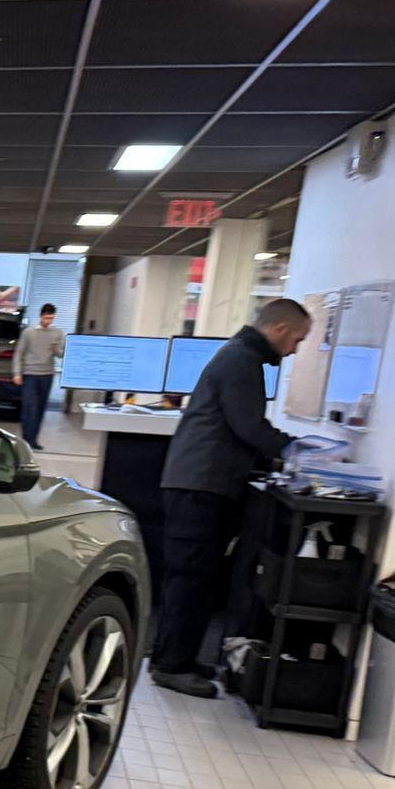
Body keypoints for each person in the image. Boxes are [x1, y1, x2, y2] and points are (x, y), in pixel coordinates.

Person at [149, 298, 310, 698]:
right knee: (191, 577)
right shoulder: (242, 362)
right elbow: (249, 426)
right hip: (201, 485)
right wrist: (298, 451)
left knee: (194, 577)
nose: (294, 351)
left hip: (202, 482)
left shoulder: (238, 356)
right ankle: (172, 666)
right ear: (278, 330)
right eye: (296, 340)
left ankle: (175, 657)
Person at [11, 303, 66, 449]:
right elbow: (19, 353)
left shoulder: (58, 333)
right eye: (47, 318)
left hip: (47, 374)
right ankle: (26, 439)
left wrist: (56, 350)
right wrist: (17, 373)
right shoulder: (29, 332)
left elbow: (62, 354)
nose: (49, 321)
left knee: (40, 409)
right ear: (41, 316)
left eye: (52, 318)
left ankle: (33, 440)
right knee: (29, 407)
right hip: (30, 374)